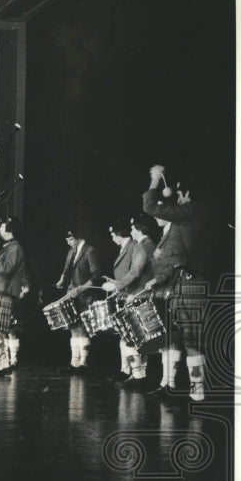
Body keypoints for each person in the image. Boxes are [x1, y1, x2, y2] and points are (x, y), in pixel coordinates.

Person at [140, 165, 210, 403]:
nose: (178, 198)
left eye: (180, 194)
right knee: (186, 338)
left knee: (191, 340)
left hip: (190, 284)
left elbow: (149, 206)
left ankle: (197, 388)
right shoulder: (199, 214)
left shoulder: (191, 210)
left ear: (187, 194)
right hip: (190, 283)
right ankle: (191, 386)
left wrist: (154, 180)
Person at [101, 219, 152, 383]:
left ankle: (138, 375)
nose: (112, 238)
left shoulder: (136, 246)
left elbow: (135, 273)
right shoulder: (132, 246)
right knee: (126, 335)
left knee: (134, 336)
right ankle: (127, 371)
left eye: (112, 235)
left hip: (134, 294)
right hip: (127, 294)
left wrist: (115, 285)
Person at [0, 216, 30, 376]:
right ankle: (2, 364)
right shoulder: (9, 246)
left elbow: (7, 268)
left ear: (11, 230)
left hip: (3, 291)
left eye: (2, 228)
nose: (0, 230)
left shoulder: (15, 248)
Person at [56, 228, 103, 374]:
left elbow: (97, 274)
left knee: (83, 329)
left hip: (86, 295)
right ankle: (74, 363)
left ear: (78, 238)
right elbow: (66, 270)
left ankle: (84, 363)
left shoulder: (90, 251)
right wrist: (61, 280)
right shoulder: (71, 252)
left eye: (70, 239)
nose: (68, 242)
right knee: (73, 329)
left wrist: (82, 288)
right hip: (72, 294)